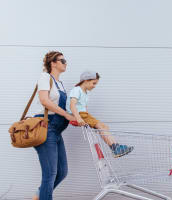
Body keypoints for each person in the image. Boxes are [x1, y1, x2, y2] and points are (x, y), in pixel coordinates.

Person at [32, 51, 76, 200]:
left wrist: (75, 117)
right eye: (62, 60)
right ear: (53, 63)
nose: (65, 63)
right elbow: (44, 100)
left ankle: (39, 195)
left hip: (56, 131)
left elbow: (65, 107)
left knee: (62, 172)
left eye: (65, 60)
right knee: (50, 174)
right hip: (46, 128)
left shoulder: (61, 84)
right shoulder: (45, 77)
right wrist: (65, 114)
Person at [67, 70, 134, 158]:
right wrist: (78, 118)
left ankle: (116, 145)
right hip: (79, 114)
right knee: (101, 127)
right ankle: (115, 148)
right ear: (86, 81)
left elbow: (84, 107)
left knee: (104, 127)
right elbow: (72, 105)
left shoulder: (86, 93)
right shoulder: (77, 90)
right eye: (93, 83)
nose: (94, 86)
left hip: (84, 114)